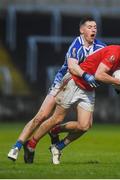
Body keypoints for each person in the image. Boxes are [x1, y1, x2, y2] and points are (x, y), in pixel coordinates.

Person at [21, 38, 120, 165]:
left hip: (88, 89)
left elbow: (107, 74)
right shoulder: (114, 53)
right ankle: (31, 144)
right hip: (74, 82)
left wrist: (118, 87)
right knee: (56, 119)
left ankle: (57, 144)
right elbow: (99, 75)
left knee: (85, 126)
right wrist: (119, 82)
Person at [7, 16, 106, 162]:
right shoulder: (76, 45)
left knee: (82, 124)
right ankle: (17, 146)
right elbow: (72, 67)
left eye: (95, 27)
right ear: (82, 30)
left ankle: (38, 142)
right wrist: (87, 76)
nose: (93, 30)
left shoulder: (100, 47)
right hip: (63, 83)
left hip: (82, 87)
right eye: (90, 27)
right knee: (41, 116)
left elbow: (110, 60)